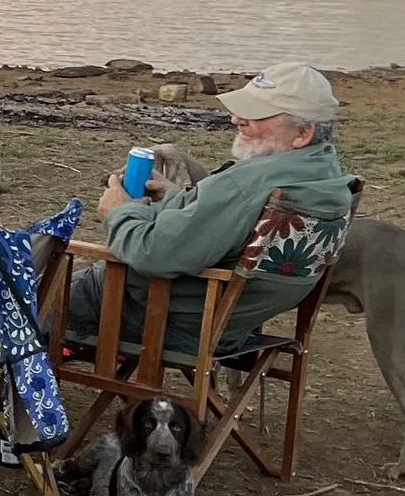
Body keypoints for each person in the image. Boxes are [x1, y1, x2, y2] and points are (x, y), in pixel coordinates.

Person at [72, 63, 353, 355]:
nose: (236, 119)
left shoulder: (246, 185)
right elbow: (228, 226)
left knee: (34, 296)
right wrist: (178, 199)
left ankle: (32, 391)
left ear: (302, 133)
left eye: (256, 114)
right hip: (234, 328)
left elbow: (153, 255)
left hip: (158, 317)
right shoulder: (330, 182)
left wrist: (119, 212)